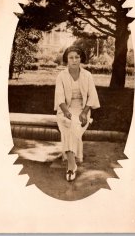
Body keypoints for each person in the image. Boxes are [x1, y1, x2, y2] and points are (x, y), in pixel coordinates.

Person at [54, 45, 100, 182]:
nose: (74, 60)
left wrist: (85, 113)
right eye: (71, 57)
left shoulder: (87, 75)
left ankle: (70, 165)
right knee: (69, 123)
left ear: (81, 59)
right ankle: (72, 164)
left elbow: (92, 97)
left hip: (82, 110)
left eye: (77, 57)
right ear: (66, 59)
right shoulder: (61, 76)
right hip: (65, 109)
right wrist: (66, 112)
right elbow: (59, 97)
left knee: (73, 124)